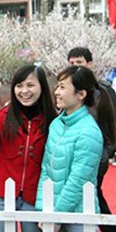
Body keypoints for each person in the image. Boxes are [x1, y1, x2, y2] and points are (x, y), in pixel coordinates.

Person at [0, 65, 57, 232]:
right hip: (1, 194)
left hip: (34, 196)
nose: (24, 91)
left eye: (30, 85)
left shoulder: (52, 120)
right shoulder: (3, 115)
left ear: (42, 87)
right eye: (19, 85)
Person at [36, 66, 116, 232]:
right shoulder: (57, 124)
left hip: (78, 218)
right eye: (58, 86)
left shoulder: (89, 131)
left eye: (63, 87)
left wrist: (57, 217)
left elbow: (78, 181)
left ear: (81, 94)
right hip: (51, 214)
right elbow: (46, 170)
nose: (56, 92)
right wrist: (42, 208)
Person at [67, 47, 116, 232]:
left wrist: (103, 157)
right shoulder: (67, 92)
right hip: (73, 158)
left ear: (89, 64)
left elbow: (112, 129)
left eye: (78, 63)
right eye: (71, 63)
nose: (75, 67)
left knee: (91, 195)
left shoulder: (104, 92)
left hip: (97, 157)